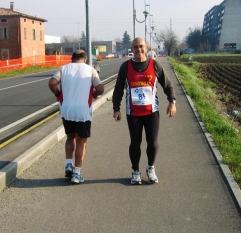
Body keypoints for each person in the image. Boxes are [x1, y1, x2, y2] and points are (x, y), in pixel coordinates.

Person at [112, 37, 176, 185]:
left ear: (147, 48)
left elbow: (168, 85)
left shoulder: (154, 65)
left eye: (141, 46)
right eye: (135, 47)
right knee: (135, 143)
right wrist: (116, 109)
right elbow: (118, 90)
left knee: (152, 142)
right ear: (131, 49)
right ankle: (135, 171)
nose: (138, 49)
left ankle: (150, 168)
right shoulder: (126, 67)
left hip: (151, 111)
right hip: (133, 112)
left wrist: (172, 102)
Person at [48, 50, 104, 184]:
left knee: (70, 137)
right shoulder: (90, 70)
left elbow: (52, 83)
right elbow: (100, 89)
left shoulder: (63, 68)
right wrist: (95, 95)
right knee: (81, 142)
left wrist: (58, 94)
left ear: (72, 58)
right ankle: (77, 173)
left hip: (66, 110)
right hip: (83, 111)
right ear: (85, 59)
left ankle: (68, 163)